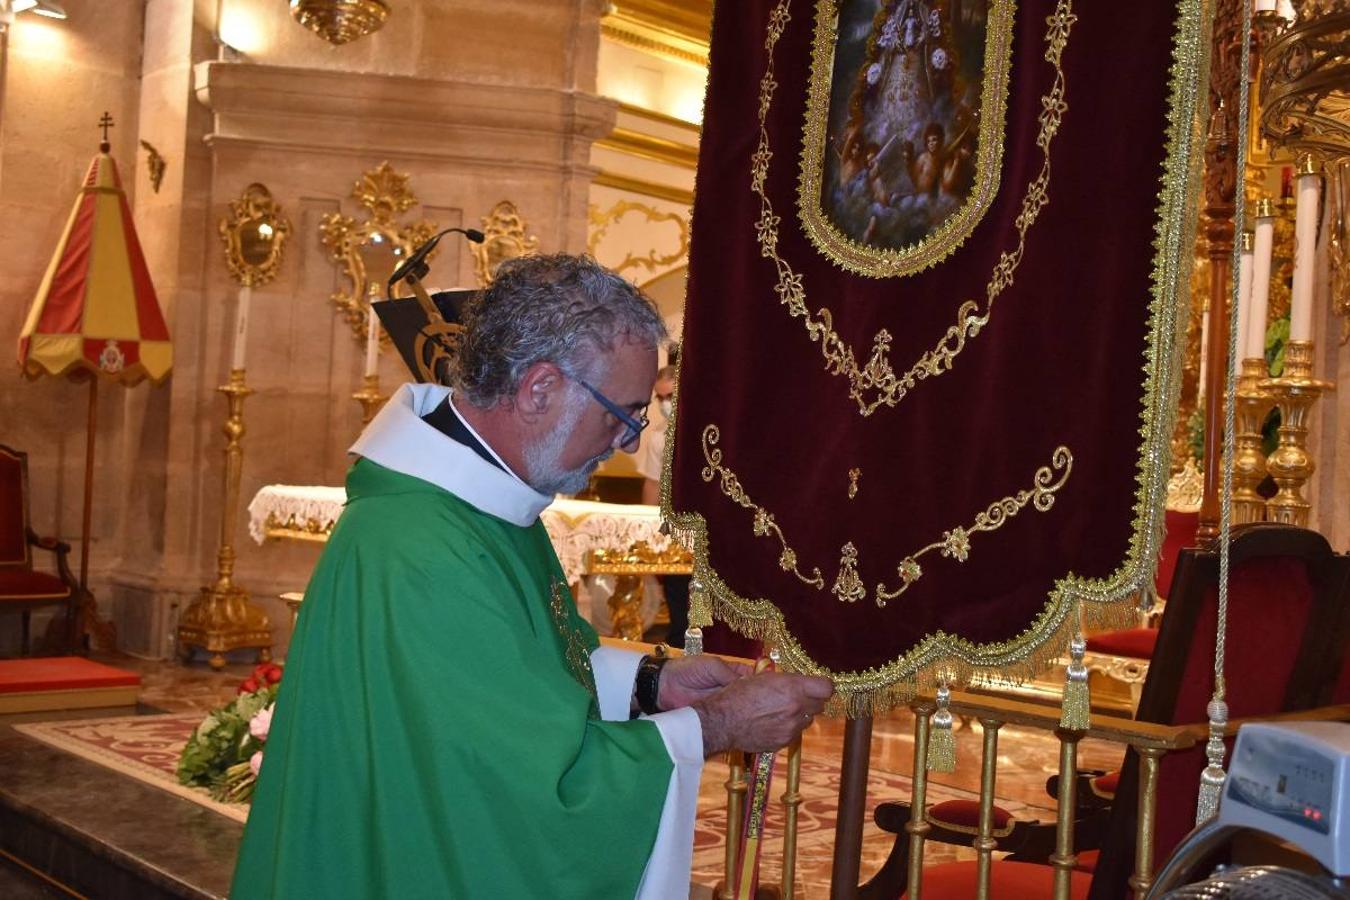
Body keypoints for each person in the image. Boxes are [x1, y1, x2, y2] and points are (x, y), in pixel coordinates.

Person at [230, 254, 834, 899]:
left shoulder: (486, 505)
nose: (629, 442)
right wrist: (715, 728)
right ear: (539, 388)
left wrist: (651, 684)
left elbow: (513, 672)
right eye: (622, 414)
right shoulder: (423, 543)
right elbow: (522, 795)